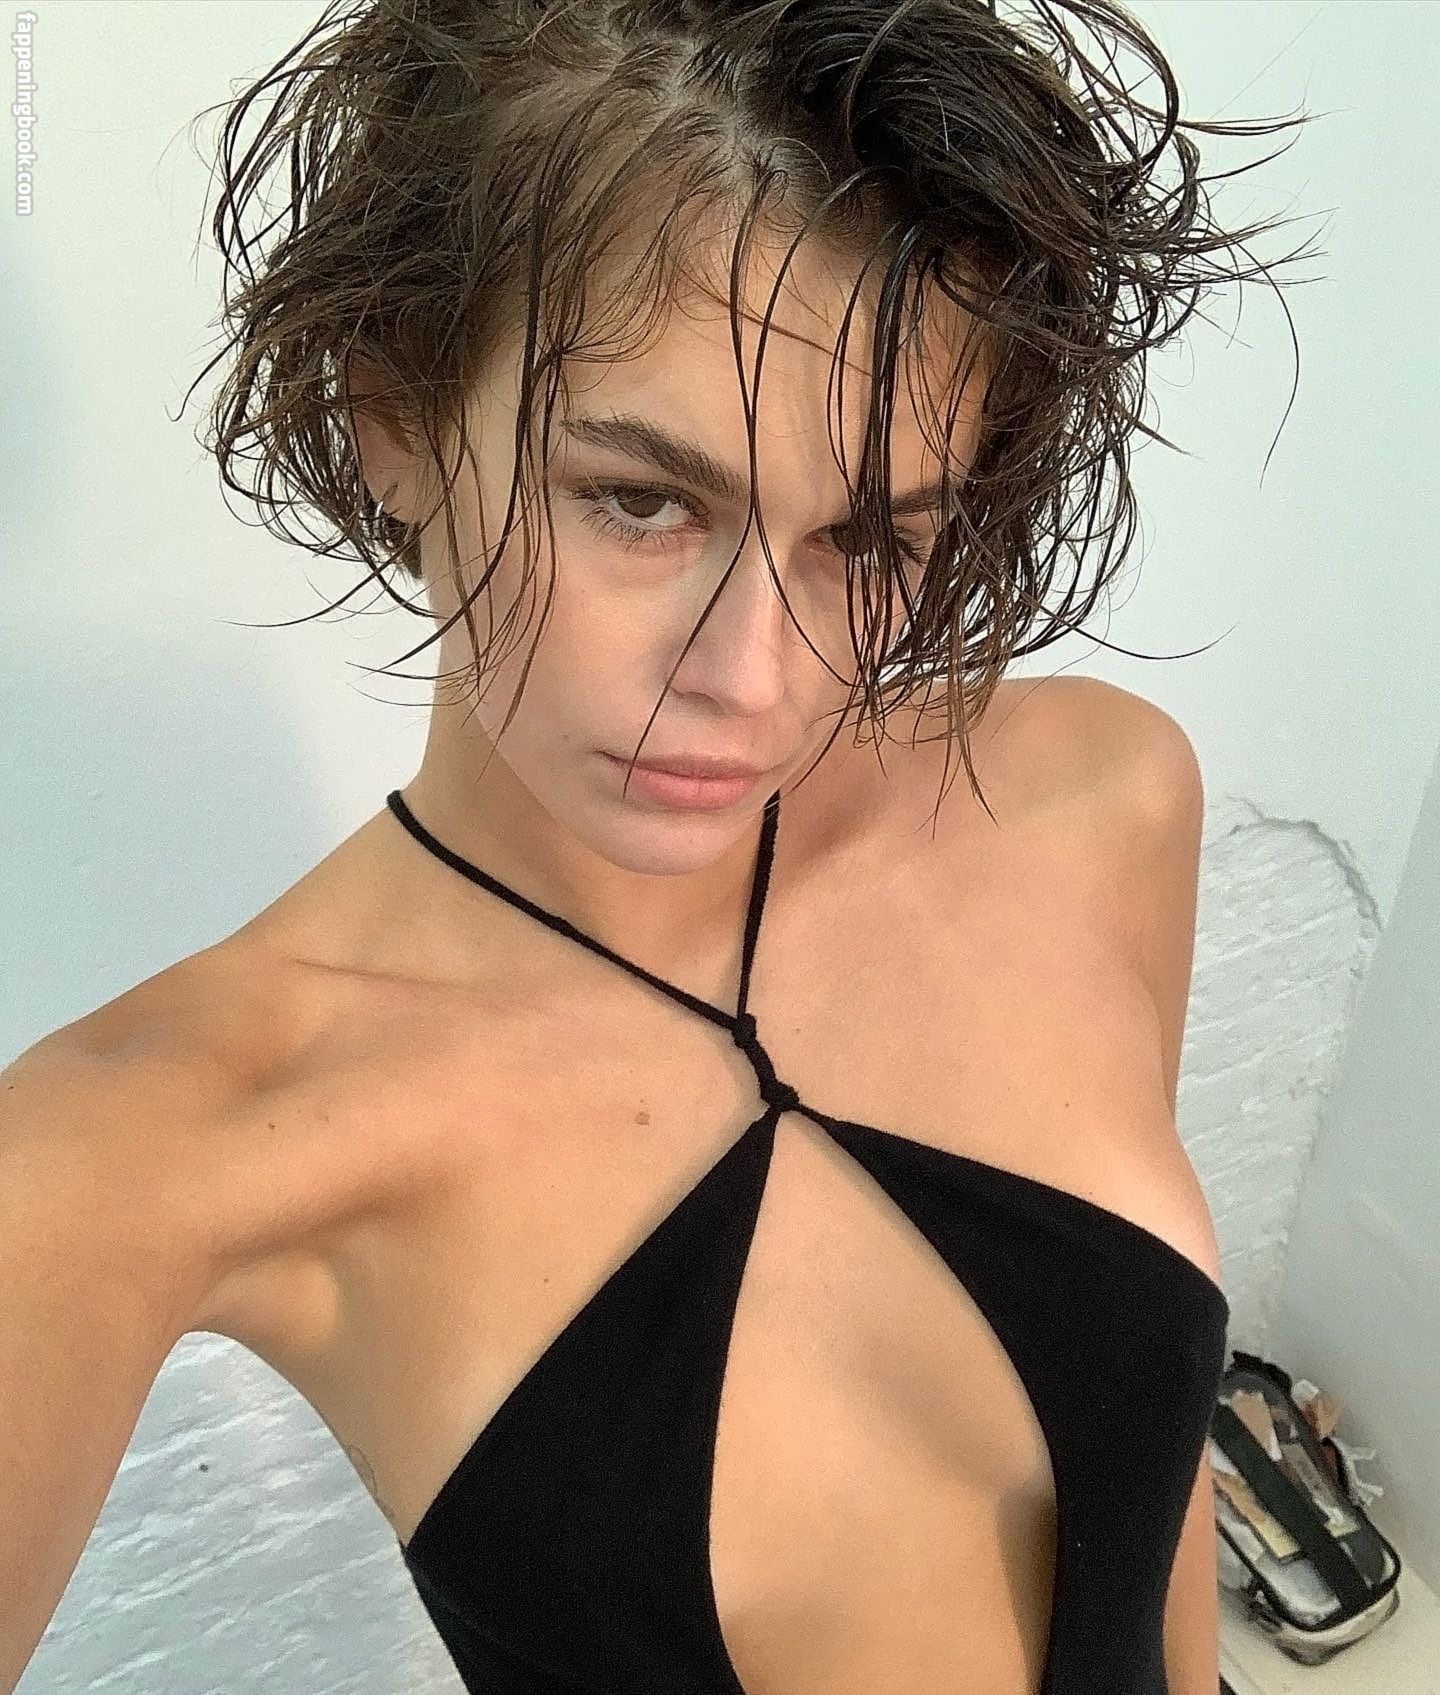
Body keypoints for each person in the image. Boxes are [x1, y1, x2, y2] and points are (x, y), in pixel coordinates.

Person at [2, 0, 1318, 1689]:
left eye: (870, 540)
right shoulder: (153, 1147)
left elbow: (1155, 1489)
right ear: (394, 420)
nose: (754, 683)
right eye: (642, 501)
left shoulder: (1093, 800)